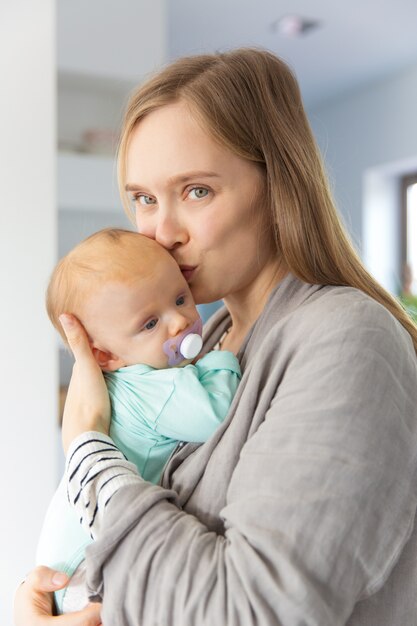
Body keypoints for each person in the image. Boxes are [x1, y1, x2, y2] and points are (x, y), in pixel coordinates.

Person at [15, 47, 417, 626]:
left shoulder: (347, 338)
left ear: (279, 184)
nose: (161, 233)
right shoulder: (212, 338)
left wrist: (88, 451)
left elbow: (252, 611)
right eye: (144, 200)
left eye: (196, 191)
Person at [35, 227, 241, 614]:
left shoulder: (132, 375)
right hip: (86, 568)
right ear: (106, 356)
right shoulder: (152, 388)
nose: (179, 322)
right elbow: (218, 411)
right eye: (150, 324)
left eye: (181, 298)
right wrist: (224, 356)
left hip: (65, 559)